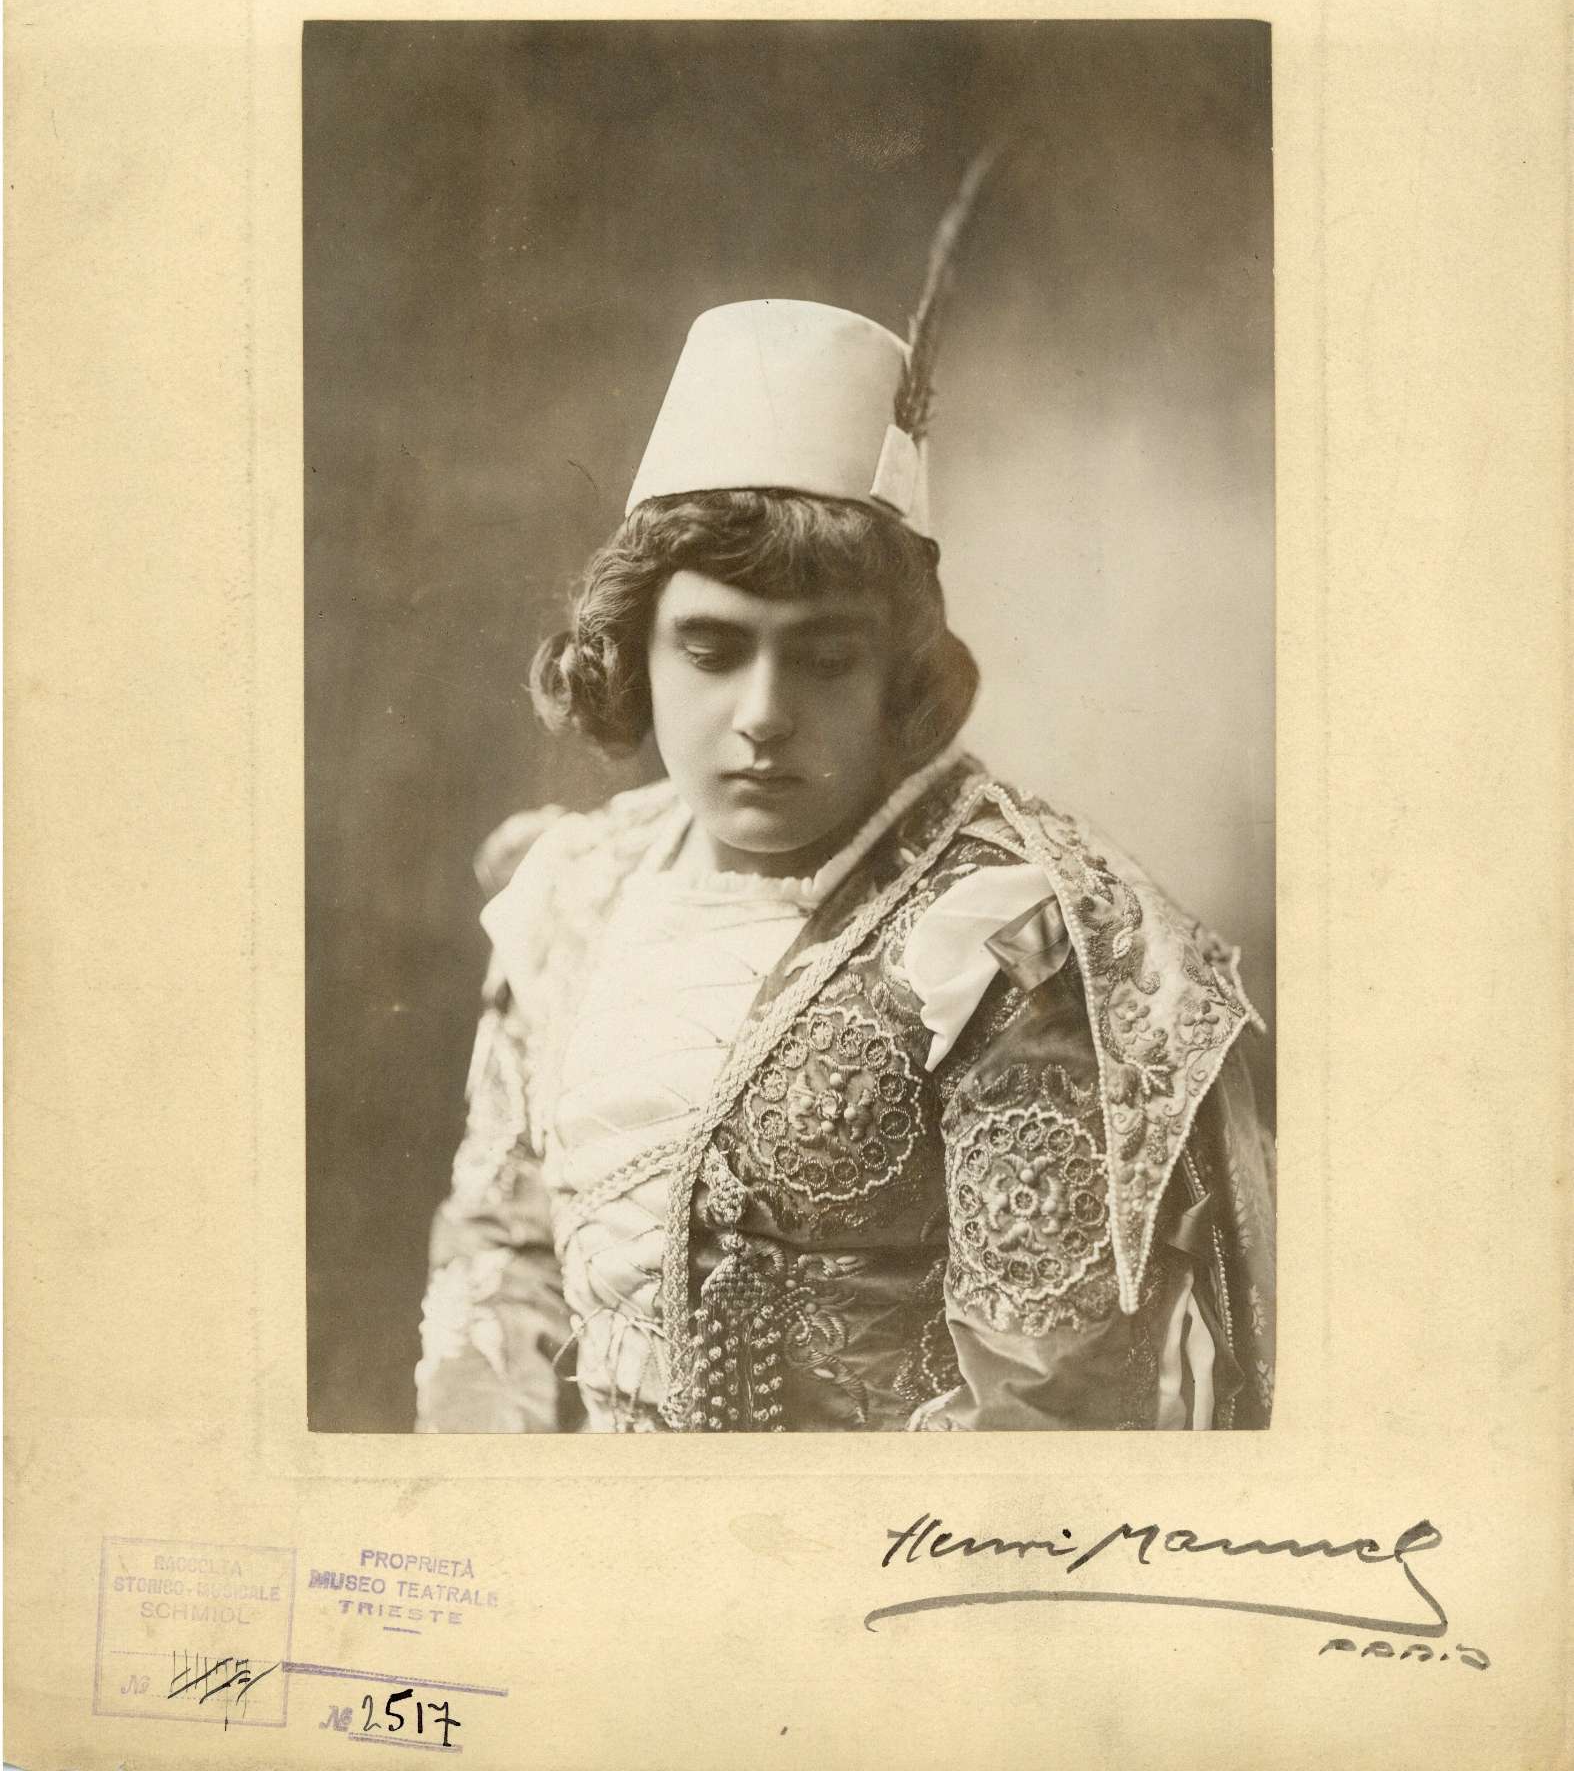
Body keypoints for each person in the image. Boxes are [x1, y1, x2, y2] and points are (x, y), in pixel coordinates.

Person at [414, 190, 1275, 1436]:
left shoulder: (1005, 937)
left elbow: (1046, 1402)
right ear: (632, 653)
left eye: (822, 659)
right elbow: (498, 1255)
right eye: (711, 650)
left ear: (895, 677)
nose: (762, 713)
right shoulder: (575, 890)